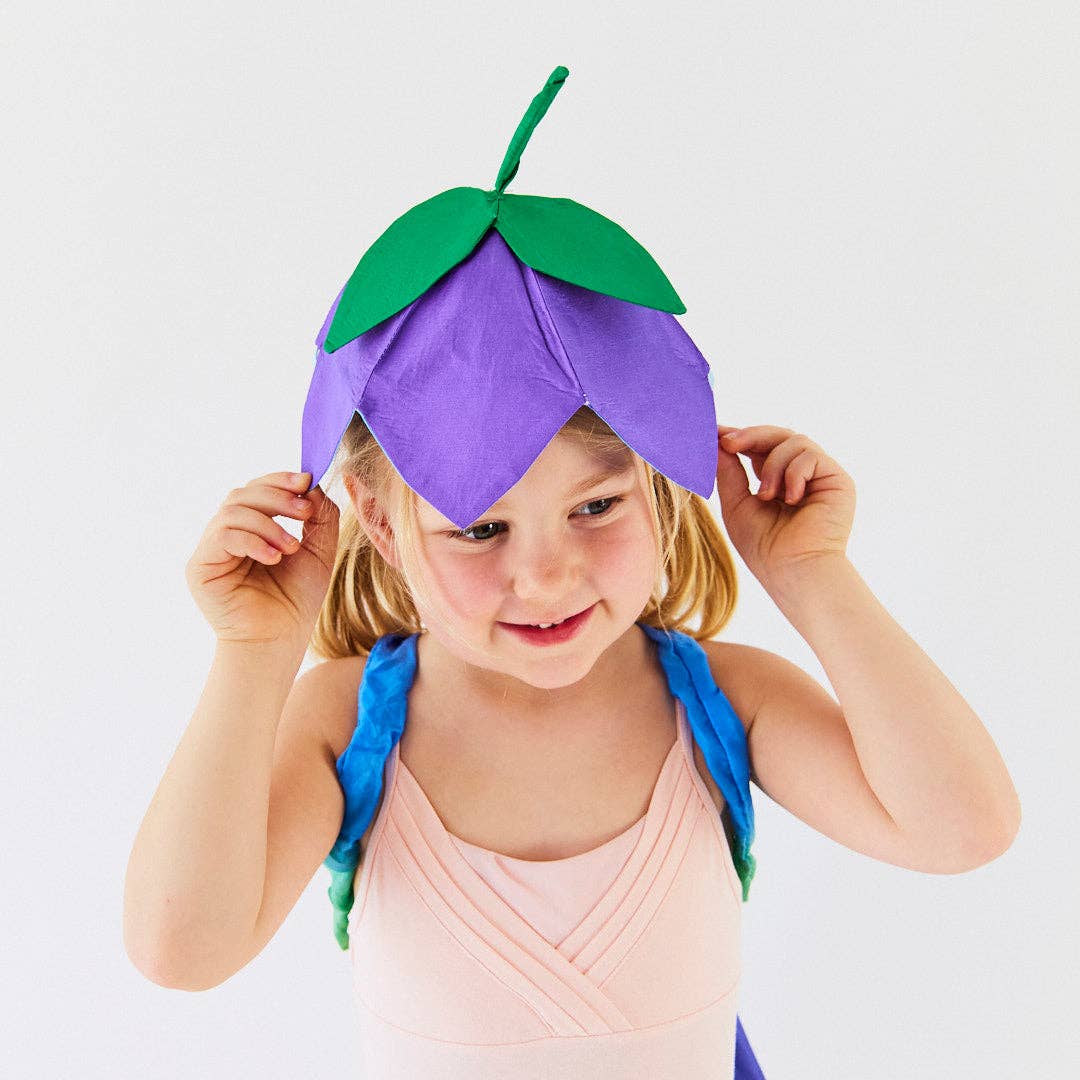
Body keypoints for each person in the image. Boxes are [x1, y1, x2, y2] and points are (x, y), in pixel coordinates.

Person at [123, 65, 1022, 1079]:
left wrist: (814, 578)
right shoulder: (348, 722)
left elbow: (963, 829)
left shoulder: (720, 699)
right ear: (377, 521)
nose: (546, 579)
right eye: (477, 529)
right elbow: (181, 951)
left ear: (657, 479)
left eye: (595, 508)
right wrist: (252, 657)